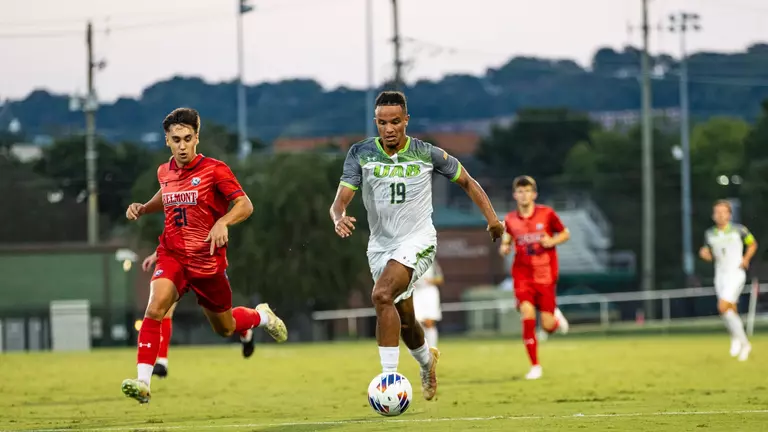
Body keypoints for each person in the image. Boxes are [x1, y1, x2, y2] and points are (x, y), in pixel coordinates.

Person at [330, 91, 504, 401]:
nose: (389, 129)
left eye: (396, 121)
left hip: (418, 241)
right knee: (406, 320)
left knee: (381, 295)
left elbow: (468, 182)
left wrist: (492, 219)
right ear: (376, 123)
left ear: (406, 121)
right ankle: (427, 362)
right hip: (380, 248)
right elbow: (340, 200)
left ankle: (388, 382)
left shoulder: (427, 153)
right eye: (383, 123)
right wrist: (338, 217)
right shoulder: (361, 153)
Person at [121, 107, 287, 404]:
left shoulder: (215, 170)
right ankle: (143, 383)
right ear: (167, 141)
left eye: (187, 138)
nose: (182, 146)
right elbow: (167, 195)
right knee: (155, 307)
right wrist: (144, 207)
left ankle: (262, 316)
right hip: (173, 256)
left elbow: (245, 205)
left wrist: (223, 221)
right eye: (176, 140)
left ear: (197, 138)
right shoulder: (164, 171)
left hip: (207, 263)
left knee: (225, 328)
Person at [141, 249, 258, 380]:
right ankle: (162, 362)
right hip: (180, 265)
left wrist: (220, 228)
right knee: (164, 310)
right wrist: (156, 255)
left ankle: (246, 332)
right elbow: (174, 234)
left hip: (205, 265)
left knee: (223, 320)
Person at [499, 175, 571, 380]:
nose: (524, 195)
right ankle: (535, 366)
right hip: (522, 276)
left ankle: (554, 319)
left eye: (527, 191)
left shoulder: (547, 214)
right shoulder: (511, 219)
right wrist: (504, 247)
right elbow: (507, 239)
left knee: (547, 325)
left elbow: (565, 233)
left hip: (545, 275)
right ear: (515, 195)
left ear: (534, 194)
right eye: (520, 191)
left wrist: (552, 240)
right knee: (527, 314)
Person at [699, 199, 756, 361]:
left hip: (736, 273)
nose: (720, 215)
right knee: (731, 309)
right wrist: (705, 255)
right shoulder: (710, 234)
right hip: (720, 275)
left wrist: (746, 259)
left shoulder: (739, 230)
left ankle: (744, 343)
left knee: (723, 307)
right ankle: (736, 338)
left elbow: (752, 244)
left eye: (723, 212)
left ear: (729, 215)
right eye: (717, 212)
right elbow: (708, 253)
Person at [412, 260, 444, 349]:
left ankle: (432, 348)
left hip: (429, 292)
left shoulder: (431, 261)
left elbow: (440, 279)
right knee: (416, 322)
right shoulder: (408, 259)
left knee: (429, 322)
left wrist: (429, 280)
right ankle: (420, 348)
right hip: (415, 292)